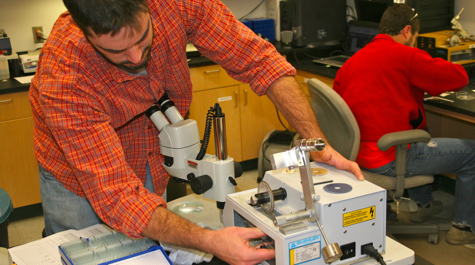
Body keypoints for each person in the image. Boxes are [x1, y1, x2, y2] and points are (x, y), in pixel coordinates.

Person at [29, 0, 364, 263]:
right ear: (85, 32)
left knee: (147, 252)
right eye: (116, 52)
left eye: (143, 40)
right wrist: (210, 242)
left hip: (147, 149)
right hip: (76, 180)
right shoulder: (65, 74)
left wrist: (315, 142)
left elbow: (261, 61)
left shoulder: (178, 3)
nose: (134, 58)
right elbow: (119, 198)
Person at [333, 3, 475, 246]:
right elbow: (459, 78)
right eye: (416, 37)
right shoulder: (406, 55)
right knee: (471, 153)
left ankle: (423, 206)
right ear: (407, 31)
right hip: (387, 157)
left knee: (419, 131)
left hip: (356, 154)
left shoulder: (352, 61)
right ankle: (462, 226)